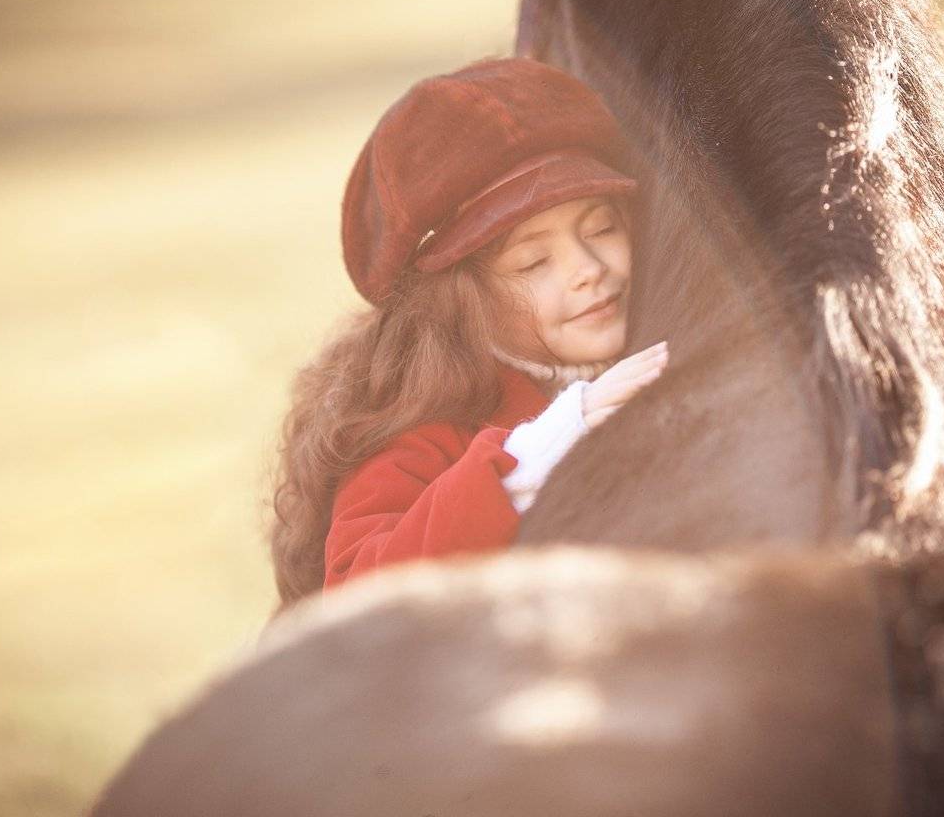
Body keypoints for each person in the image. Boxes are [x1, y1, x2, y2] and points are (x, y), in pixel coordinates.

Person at [264, 56, 669, 610]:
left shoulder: (663, 329)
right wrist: (537, 451)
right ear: (461, 301)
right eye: (533, 262)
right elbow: (360, 593)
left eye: (601, 227)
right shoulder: (424, 423)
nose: (588, 268)